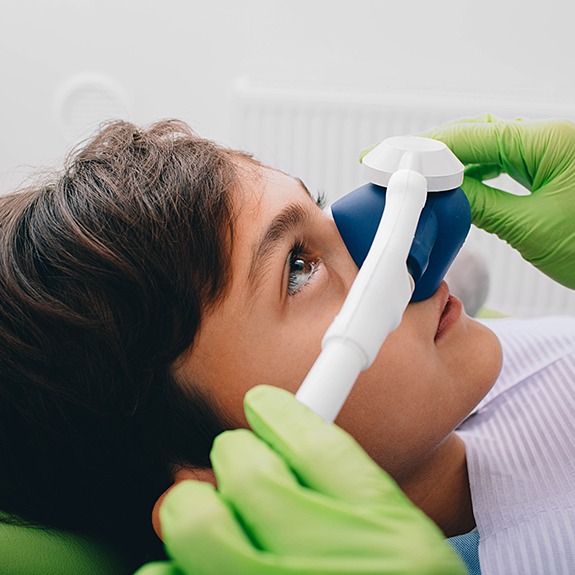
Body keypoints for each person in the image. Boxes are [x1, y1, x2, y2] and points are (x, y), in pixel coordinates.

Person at [136, 116, 575, 575]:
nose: (390, 236)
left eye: (323, 209)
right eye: (298, 270)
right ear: (222, 484)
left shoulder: (498, 367)